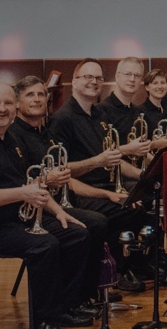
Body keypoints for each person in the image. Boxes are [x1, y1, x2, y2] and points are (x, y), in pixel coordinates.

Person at [0, 83, 94, 329]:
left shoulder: (11, 139)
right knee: (44, 245)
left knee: (75, 234)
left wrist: (58, 211)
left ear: (15, 107)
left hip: (14, 221)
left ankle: (64, 308)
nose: (2, 109)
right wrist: (23, 194)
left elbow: (33, 184)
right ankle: (42, 323)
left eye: (7, 103)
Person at [49, 59, 153, 291]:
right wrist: (98, 163)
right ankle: (108, 274)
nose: (93, 82)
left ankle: (120, 268)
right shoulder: (63, 119)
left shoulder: (99, 115)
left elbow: (113, 157)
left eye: (97, 78)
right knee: (121, 213)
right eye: (87, 77)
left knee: (141, 204)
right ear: (74, 81)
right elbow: (59, 170)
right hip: (79, 191)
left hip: (105, 186)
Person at [8, 76, 111, 306]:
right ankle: (71, 299)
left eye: (41, 95)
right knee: (84, 229)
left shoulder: (46, 132)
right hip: (30, 210)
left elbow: (66, 177)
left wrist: (106, 194)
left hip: (54, 203)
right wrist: (48, 178)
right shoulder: (13, 134)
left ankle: (85, 294)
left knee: (98, 222)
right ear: (16, 103)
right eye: (30, 95)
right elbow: (19, 179)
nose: (37, 99)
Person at [98, 56, 147, 131]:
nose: (132, 79)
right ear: (117, 76)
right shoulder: (101, 111)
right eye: (128, 74)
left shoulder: (138, 112)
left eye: (137, 75)